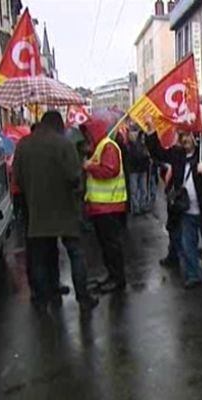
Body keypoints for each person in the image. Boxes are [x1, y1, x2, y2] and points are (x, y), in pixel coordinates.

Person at [13, 111, 98, 312]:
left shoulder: (23, 145)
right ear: (58, 124)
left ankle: (44, 297)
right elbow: (74, 176)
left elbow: (18, 178)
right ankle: (83, 298)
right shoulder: (64, 144)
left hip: (37, 210)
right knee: (76, 253)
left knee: (40, 256)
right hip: (65, 209)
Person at [145, 124, 202, 291]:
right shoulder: (178, 154)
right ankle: (192, 276)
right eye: (181, 135)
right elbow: (158, 153)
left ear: (195, 135)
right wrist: (150, 132)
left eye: (187, 135)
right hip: (186, 211)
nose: (184, 139)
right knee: (187, 246)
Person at [83, 118, 129, 294]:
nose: (86, 136)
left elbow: (110, 170)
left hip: (109, 205)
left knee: (111, 245)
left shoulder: (107, 146)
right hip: (101, 206)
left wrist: (90, 167)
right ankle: (112, 276)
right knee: (106, 245)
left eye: (87, 132)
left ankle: (117, 279)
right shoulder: (100, 147)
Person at [127, 130, 151, 215]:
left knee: (142, 189)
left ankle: (142, 205)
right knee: (135, 189)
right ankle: (137, 207)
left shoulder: (143, 142)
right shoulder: (131, 144)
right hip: (134, 168)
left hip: (141, 168)